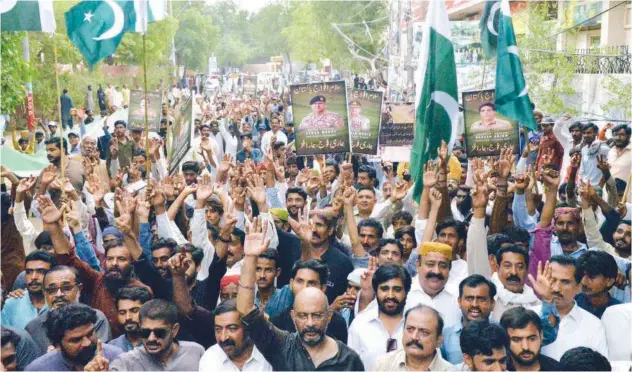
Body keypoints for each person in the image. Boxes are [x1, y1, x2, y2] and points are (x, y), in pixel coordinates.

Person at [235, 225, 364, 370]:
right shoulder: (283, 347)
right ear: (293, 316)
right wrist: (250, 258)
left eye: (316, 316)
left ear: (329, 316)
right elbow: (245, 310)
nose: (310, 323)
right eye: (302, 316)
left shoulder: (349, 360)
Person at [25, 266, 112, 353]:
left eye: (66, 288)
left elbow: (101, 355)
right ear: (44, 293)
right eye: (52, 290)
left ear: (79, 289)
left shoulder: (95, 318)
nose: (59, 295)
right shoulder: (33, 328)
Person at [540, 256, 608, 361]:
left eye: (565, 282)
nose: (556, 288)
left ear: (578, 287)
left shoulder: (593, 325)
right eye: (552, 280)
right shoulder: (530, 315)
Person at [109, 299, 204, 370]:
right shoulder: (126, 362)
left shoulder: (195, 352)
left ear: (174, 330)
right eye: (145, 332)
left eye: (159, 333)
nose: (151, 338)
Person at [24, 304, 123, 371]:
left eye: (90, 334)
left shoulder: (117, 357)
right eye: (76, 340)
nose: (87, 343)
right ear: (58, 344)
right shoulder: (39, 369)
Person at [348, 264, 411, 368]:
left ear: (406, 292)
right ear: (376, 291)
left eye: (397, 289)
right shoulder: (360, 324)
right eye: (384, 289)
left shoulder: (418, 324)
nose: (390, 295)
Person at [370, 305, 453, 371]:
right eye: (410, 329)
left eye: (424, 332)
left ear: (439, 340)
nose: (414, 337)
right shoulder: (383, 364)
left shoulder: (449, 370)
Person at [198, 299, 272, 371]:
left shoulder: (269, 357)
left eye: (232, 328)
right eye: (218, 329)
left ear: (248, 328)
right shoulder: (210, 358)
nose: (223, 338)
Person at [441, 275, 497, 364]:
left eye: (481, 299)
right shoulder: (445, 336)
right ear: (459, 301)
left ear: (493, 304)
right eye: (469, 298)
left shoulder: (502, 333)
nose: (474, 304)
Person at [1, 251, 55, 329]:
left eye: (41, 271)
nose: (33, 277)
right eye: (29, 272)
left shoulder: (59, 302)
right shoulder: (11, 304)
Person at [500, 306, 561, 371]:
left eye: (532, 339)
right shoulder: (498, 369)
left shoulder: (557, 369)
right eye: (516, 340)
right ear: (506, 340)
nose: (525, 347)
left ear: (541, 336)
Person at [576, 250, 621, 318]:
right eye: (581, 275)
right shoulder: (571, 304)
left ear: (609, 281)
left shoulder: (619, 311)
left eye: (591, 277)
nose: (583, 282)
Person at [108, 285, 152, 352]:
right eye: (122, 312)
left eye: (134, 311)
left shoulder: (156, 344)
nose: (128, 317)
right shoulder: (111, 347)